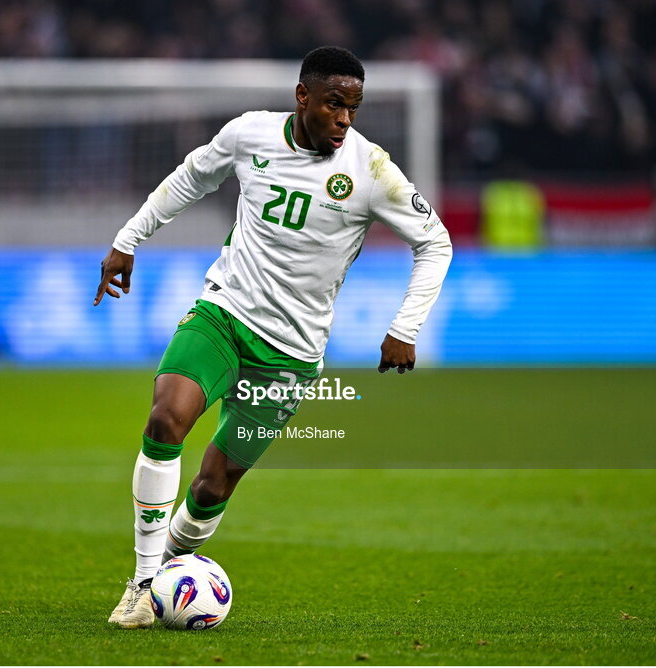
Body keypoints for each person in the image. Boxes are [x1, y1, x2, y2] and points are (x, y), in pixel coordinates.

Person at [93, 46, 453, 629]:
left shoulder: (371, 171)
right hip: (224, 314)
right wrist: (128, 238)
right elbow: (190, 178)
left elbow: (435, 242)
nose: (345, 119)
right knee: (166, 420)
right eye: (335, 104)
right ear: (302, 96)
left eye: (354, 108)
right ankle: (140, 584)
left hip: (291, 354)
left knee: (214, 483)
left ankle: (172, 569)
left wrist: (404, 327)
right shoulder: (249, 136)